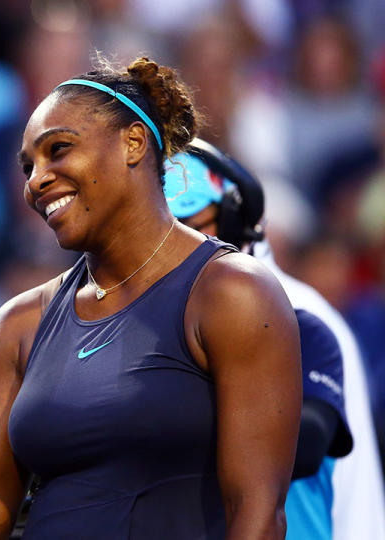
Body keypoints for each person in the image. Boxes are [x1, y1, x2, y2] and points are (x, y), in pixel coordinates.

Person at [0, 58, 302, 539]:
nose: (36, 181)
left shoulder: (232, 293)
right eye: (29, 167)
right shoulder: (20, 321)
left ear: (133, 143)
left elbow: (256, 512)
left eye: (59, 150)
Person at [162, 141, 385, 540]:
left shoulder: (300, 314)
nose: (176, 250)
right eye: (161, 235)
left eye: (192, 227)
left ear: (234, 218)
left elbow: (309, 442)